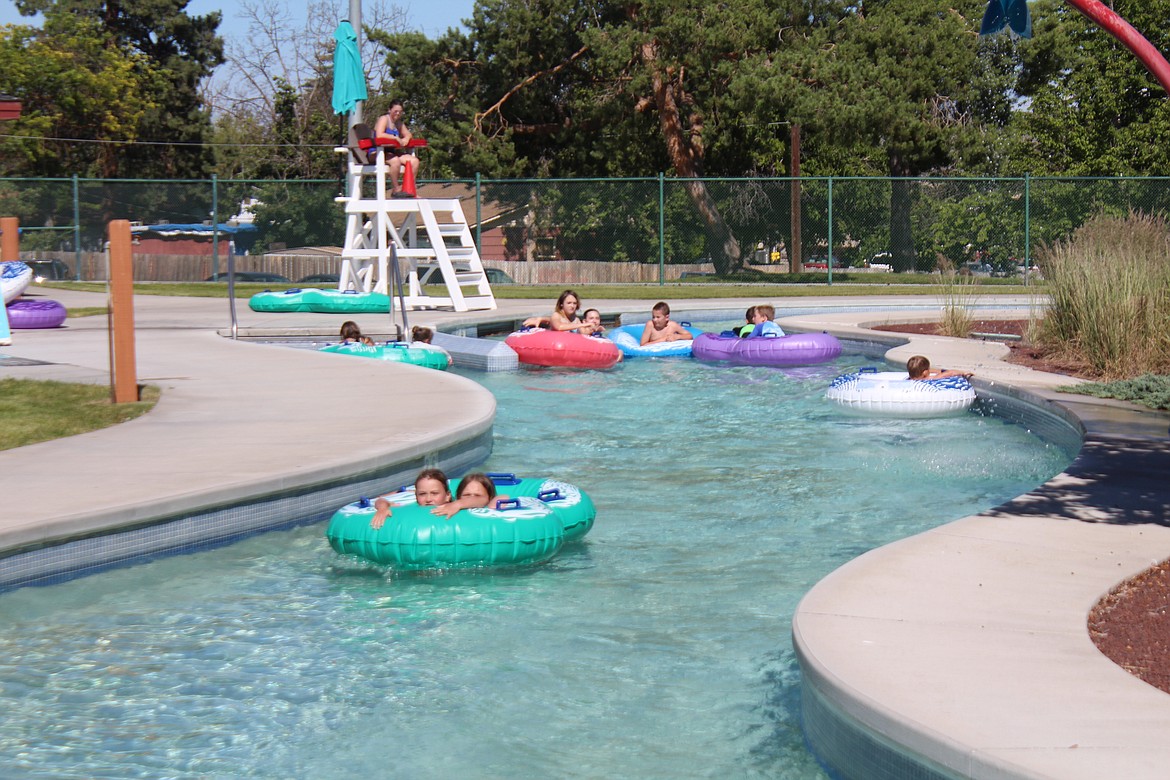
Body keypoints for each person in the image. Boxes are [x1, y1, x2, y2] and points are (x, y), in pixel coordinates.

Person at [370, 468, 452, 529]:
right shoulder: (410, 510)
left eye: (434, 493)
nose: (428, 499)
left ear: (447, 496)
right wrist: (382, 509)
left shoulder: (455, 508)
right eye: (422, 494)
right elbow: (380, 500)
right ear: (416, 496)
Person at [373, 99, 421, 198]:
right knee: (395, 161)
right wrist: (395, 138)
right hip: (377, 153)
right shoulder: (384, 119)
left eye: (400, 111)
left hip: (392, 152)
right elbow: (379, 134)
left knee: (414, 161)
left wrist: (406, 139)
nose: (398, 113)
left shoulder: (398, 123)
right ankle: (396, 189)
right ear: (389, 110)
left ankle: (409, 188)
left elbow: (408, 134)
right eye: (395, 111)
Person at [522, 289, 600, 335]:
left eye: (574, 303)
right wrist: (586, 324)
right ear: (562, 304)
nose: (572, 306)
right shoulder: (556, 315)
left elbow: (583, 333)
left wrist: (594, 329)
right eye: (569, 303)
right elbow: (559, 327)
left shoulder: (576, 319)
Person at [906, 355, 973, 381]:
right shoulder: (932, 379)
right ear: (925, 372)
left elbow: (930, 371)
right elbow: (950, 373)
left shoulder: (909, 379)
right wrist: (963, 373)